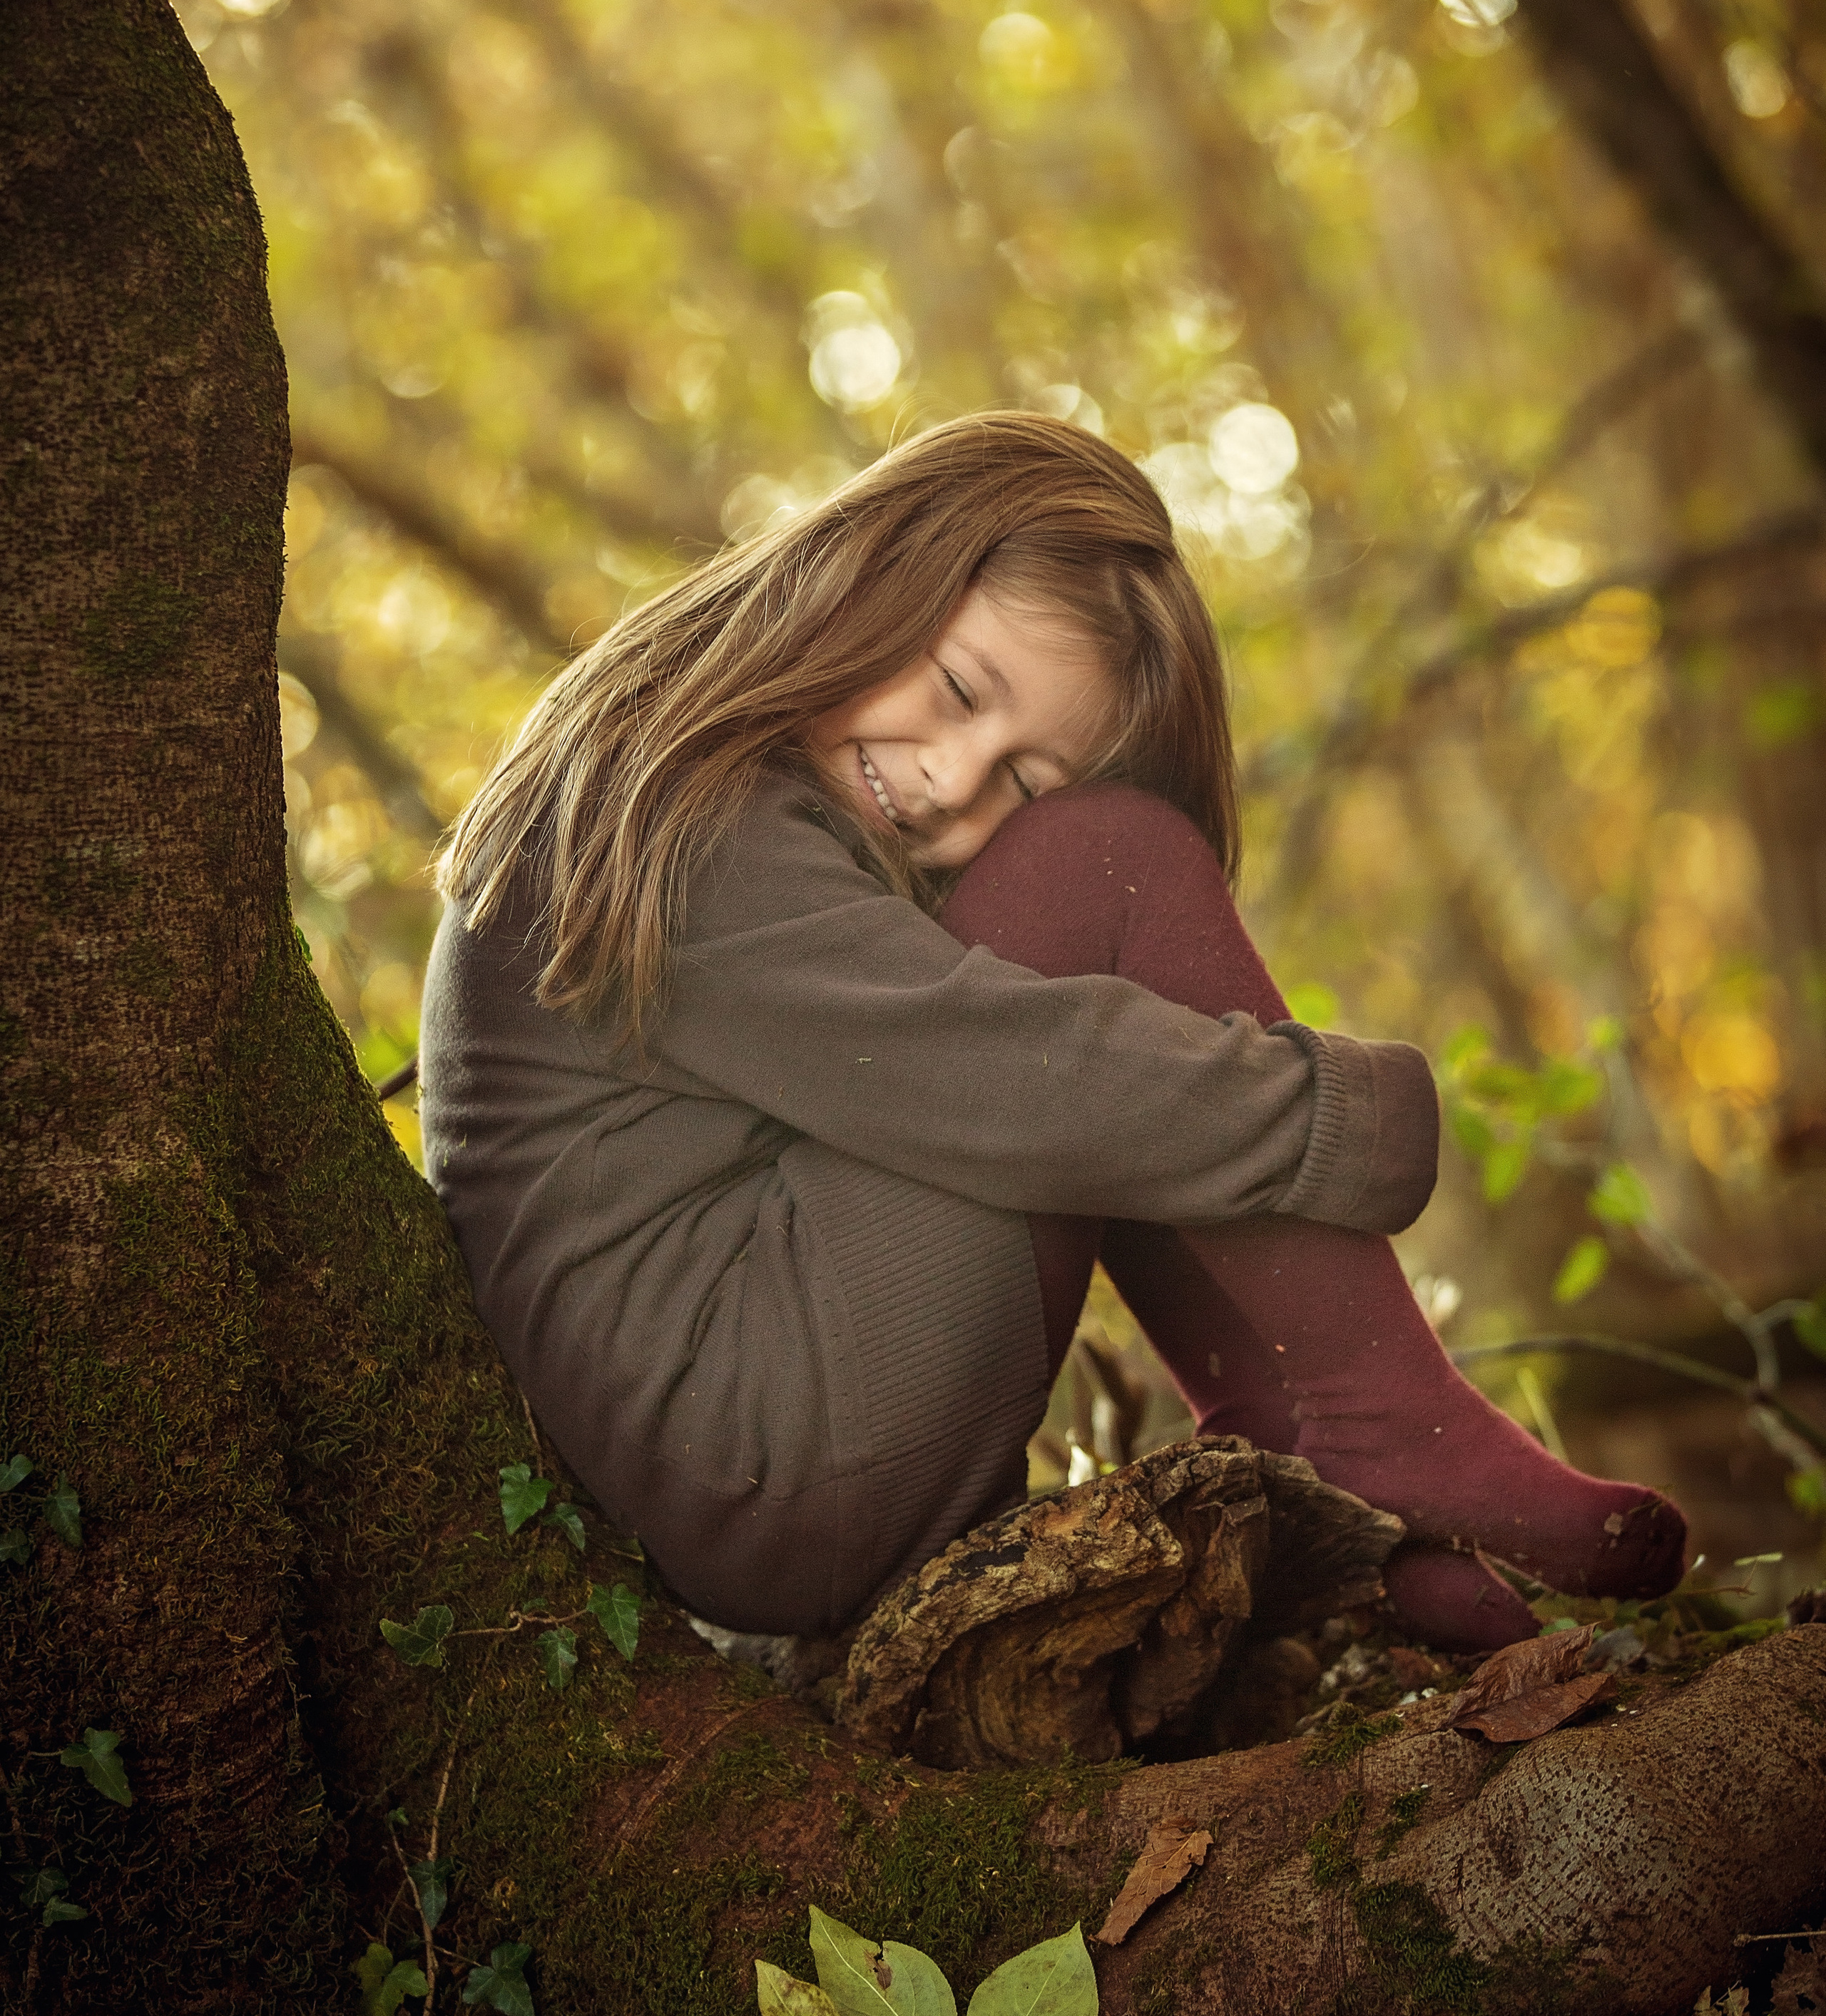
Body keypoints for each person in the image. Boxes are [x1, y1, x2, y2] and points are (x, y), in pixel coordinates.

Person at [421, 414, 1683, 1657]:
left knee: (1087, 1000)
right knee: (1106, 867)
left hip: (747, 1452)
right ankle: (1385, 1419)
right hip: (760, 1452)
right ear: (877, 568)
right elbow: (1015, 1076)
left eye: (1024, 780)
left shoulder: (676, 770)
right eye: (961, 692)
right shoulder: (688, 826)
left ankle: (1314, 1460)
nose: (956, 778)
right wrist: (1353, 1118)